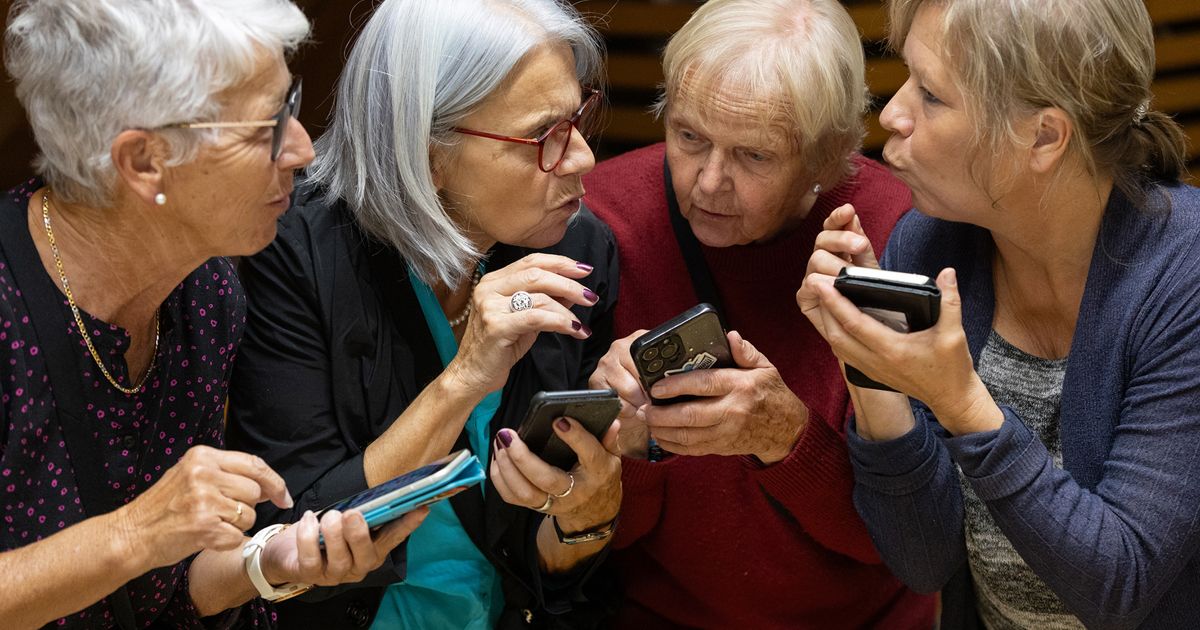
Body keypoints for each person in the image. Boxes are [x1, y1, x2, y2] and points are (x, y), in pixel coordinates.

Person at [0, 1, 429, 628]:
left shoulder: (205, 295)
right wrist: (137, 532)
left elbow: (171, 590)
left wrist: (273, 561)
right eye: (268, 128)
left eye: (293, 102)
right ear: (145, 162)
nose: (303, 150)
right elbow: (144, 541)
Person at [798, 0, 1200, 627]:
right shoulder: (930, 243)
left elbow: (1120, 584)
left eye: (931, 95)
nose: (893, 114)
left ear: (1043, 136)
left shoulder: (1184, 279)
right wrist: (870, 365)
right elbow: (923, 561)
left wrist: (959, 400)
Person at [225, 0, 622, 627]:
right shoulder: (296, 251)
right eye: (544, 136)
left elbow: (549, 572)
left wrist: (588, 509)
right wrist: (463, 380)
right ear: (427, 156)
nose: (580, 159)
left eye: (579, 119)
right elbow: (291, 537)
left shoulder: (577, 246)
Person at [583, 0, 934, 627]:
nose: (708, 182)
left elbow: (906, 549)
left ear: (829, 160)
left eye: (754, 156)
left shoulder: (902, 235)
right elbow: (591, 549)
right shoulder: (601, 223)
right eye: (689, 137)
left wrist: (786, 439)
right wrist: (623, 452)